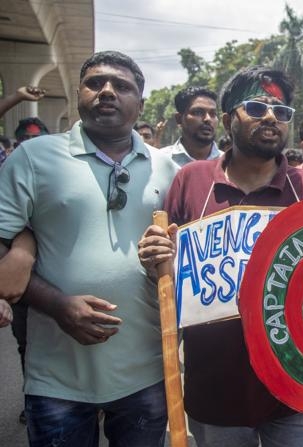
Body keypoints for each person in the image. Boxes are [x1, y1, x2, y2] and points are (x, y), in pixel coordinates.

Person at [138, 66, 303, 447]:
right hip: (216, 388)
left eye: (281, 113)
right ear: (229, 119)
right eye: (257, 108)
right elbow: (173, 272)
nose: (271, 119)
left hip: (298, 388)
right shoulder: (191, 180)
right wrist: (155, 260)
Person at [0, 50, 179, 446]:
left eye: (122, 86)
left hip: (146, 374)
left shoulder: (167, 169)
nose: (108, 92)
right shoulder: (34, 158)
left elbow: (188, 254)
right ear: (79, 94)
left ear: (141, 103)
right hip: (58, 380)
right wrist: (55, 304)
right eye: (95, 83)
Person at [160, 86, 222, 167]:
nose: (208, 119)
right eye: (198, 112)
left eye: (213, 114)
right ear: (179, 119)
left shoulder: (230, 163)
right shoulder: (160, 160)